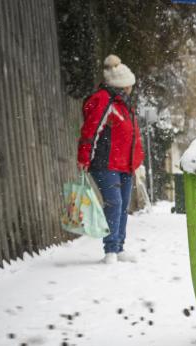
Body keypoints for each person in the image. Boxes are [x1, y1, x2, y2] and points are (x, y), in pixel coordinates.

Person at [77, 55, 144, 264]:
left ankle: (119, 247)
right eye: (129, 85)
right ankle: (110, 250)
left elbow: (132, 136)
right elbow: (91, 130)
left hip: (124, 164)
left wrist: (136, 163)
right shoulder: (104, 100)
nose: (131, 88)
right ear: (123, 85)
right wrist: (84, 156)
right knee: (114, 202)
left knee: (122, 205)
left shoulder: (123, 104)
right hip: (105, 163)